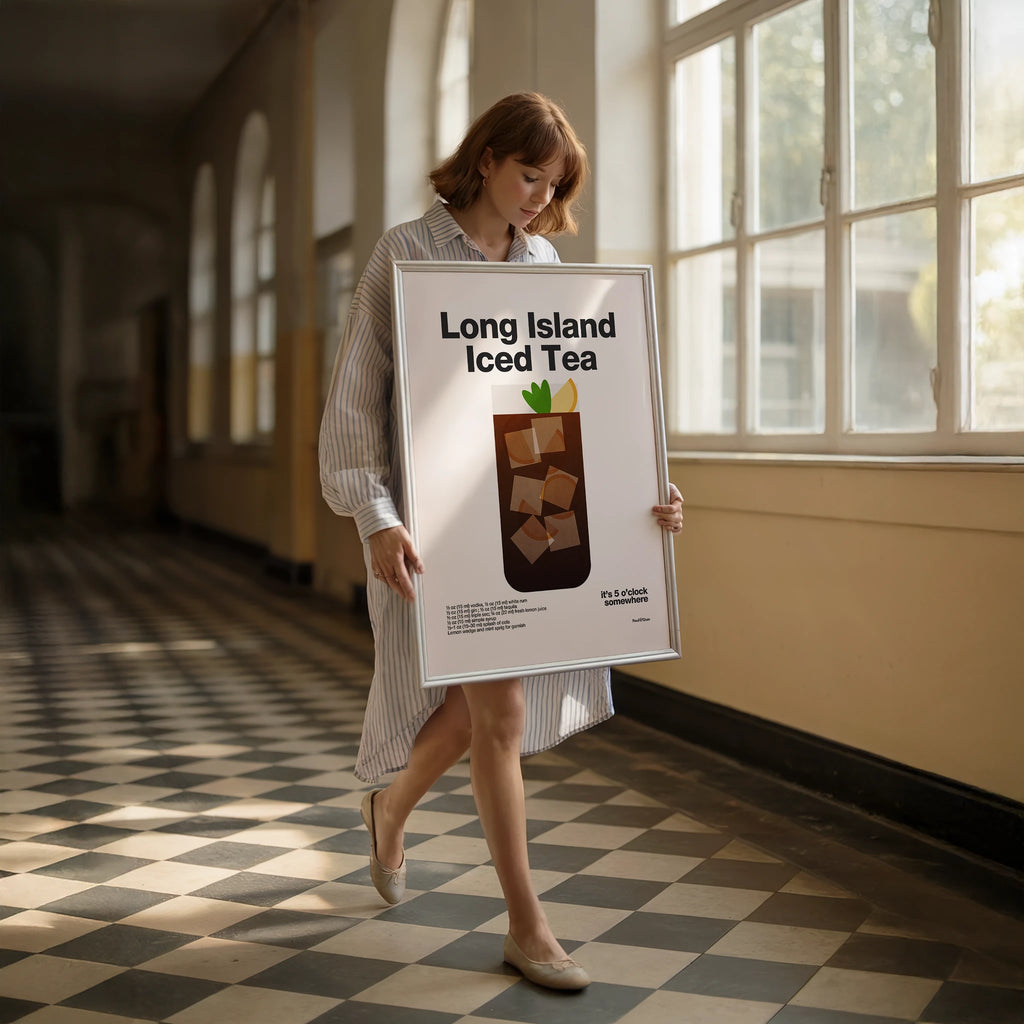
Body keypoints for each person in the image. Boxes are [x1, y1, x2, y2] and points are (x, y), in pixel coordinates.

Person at [319, 92, 684, 991]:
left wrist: (645, 488)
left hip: (529, 513)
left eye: (552, 184)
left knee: (485, 712)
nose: (537, 197)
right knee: (501, 714)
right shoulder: (403, 253)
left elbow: (579, 396)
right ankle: (528, 925)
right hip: (436, 528)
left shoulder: (547, 264)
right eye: (529, 174)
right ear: (485, 159)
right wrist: (374, 514)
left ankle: (389, 806)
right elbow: (356, 401)